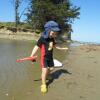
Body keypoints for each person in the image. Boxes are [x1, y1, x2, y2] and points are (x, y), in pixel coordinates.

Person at [30, 21, 68, 93]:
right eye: (54, 32)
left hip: (50, 57)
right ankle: (43, 84)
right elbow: (36, 47)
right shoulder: (42, 38)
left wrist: (62, 49)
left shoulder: (52, 39)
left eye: (56, 33)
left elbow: (55, 46)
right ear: (48, 31)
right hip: (44, 58)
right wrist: (31, 55)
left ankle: (46, 76)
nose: (55, 34)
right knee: (44, 70)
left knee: (51, 68)